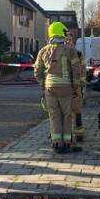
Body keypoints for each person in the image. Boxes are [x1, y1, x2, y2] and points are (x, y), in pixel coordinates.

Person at [35, 22, 83, 153]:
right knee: (67, 115)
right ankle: (67, 143)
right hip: (66, 88)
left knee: (54, 115)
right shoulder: (70, 50)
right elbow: (76, 70)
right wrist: (76, 87)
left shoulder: (43, 51)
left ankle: (56, 143)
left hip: (50, 88)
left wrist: (42, 84)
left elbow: (37, 71)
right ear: (62, 33)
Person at [64, 32, 85, 142]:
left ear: (73, 42)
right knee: (65, 113)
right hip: (64, 88)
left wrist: (80, 85)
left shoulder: (79, 54)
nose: (67, 42)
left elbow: (82, 70)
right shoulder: (61, 53)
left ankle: (79, 134)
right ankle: (67, 135)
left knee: (77, 112)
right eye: (66, 39)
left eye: (69, 40)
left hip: (76, 89)